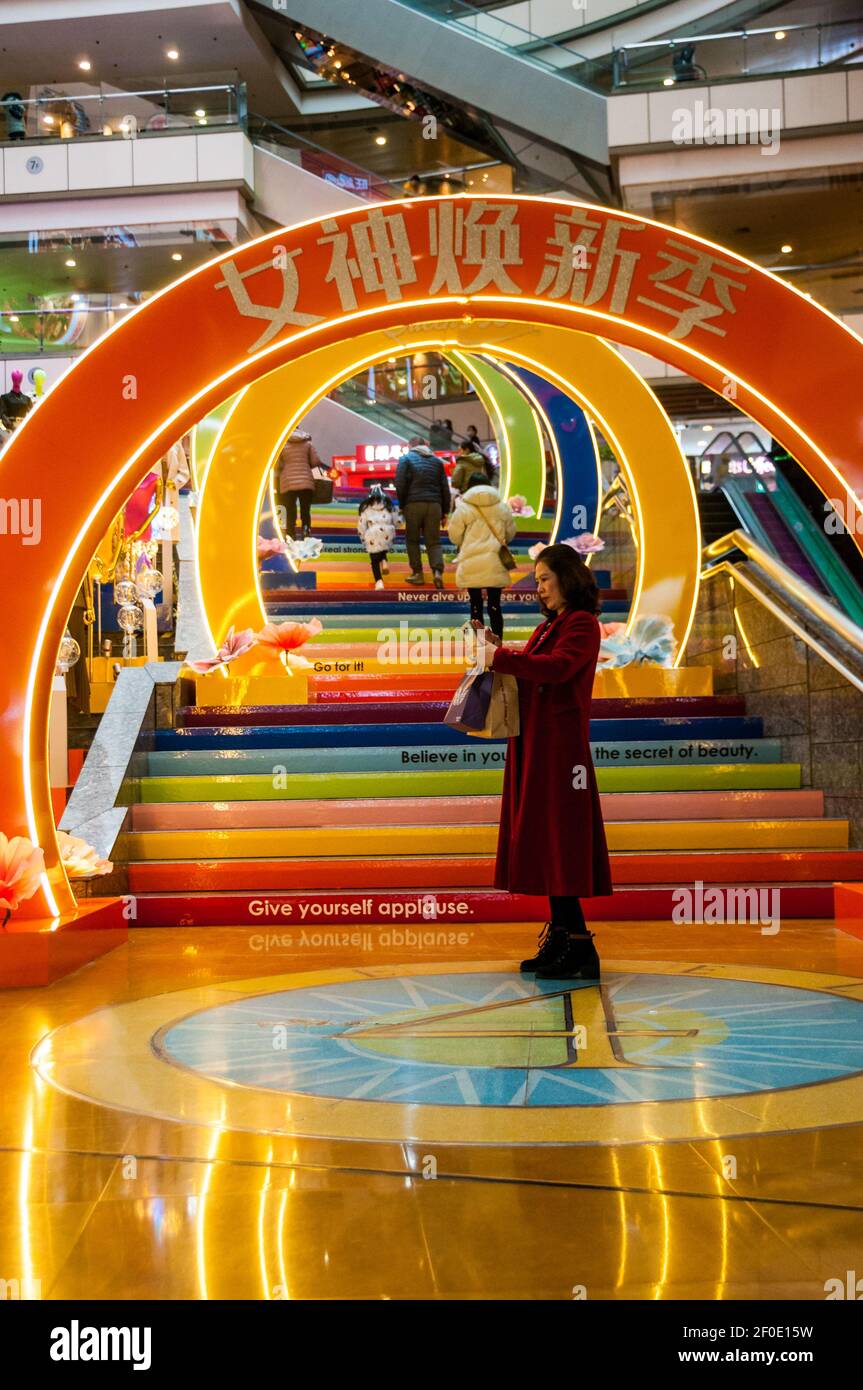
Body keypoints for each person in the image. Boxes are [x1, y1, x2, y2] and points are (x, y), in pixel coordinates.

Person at [475, 543, 612, 980]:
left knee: (561, 844)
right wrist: (499, 651)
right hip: (536, 742)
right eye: (537, 580)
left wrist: (499, 657)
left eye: (544, 579)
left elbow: (555, 668)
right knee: (547, 843)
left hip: (560, 749)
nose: (539, 588)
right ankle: (563, 939)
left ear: (568, 578)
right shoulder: (550, 625)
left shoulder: (583, 624)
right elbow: (535, 665)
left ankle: (578, 946)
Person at [448, 471, 515, 639]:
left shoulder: (464, 507)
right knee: (495, 606)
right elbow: (511, 532)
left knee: (475, 605)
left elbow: (454, 535)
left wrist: (465, 541)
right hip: (495, 561)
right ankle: (498, 644)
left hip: (472, 561)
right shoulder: (502, 507)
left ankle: (478, 646)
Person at [395, 435, 450, 589]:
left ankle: (418, 574)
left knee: (412, 540)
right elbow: (445, 488)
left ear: (410, 446)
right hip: (434, 505)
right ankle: (437, 572)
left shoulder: (406, 459)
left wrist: (402, 505)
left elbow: (400, 483)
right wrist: (445, 512)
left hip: (414, 504)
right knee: (434, 541)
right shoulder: (437, 462)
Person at [276, 428, 322, 541]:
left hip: (288, 481)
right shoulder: (307, 443)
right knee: (305, 509)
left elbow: (277, 465)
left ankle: (291, 533)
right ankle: (306, 530)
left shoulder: (282, 444)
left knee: (290, 508)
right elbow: (316, 461)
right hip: (306, 480)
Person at [357, 485, 396, 589]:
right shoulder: (388, 506)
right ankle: (384, 559)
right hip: (387, 532)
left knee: (374, 559)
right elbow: (396, 520)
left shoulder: (366, 509)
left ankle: (379, 581)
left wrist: (363, 538)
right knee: (383, 542)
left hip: (372, 533)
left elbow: (361, 526)